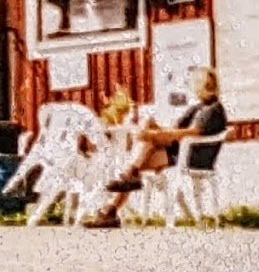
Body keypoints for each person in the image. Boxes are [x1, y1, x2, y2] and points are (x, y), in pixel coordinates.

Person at [83, 69, 228, 227]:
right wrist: (155, 128)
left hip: (193, 156)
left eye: (193, 83)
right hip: (178, 152)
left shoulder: (214, 110)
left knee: (145, 150)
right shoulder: (198, 107)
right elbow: (175, 129)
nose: (190, 86)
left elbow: (189, 134)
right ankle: (119, 196)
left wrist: (155, 135)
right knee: (143, 152)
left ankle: (114, 203)